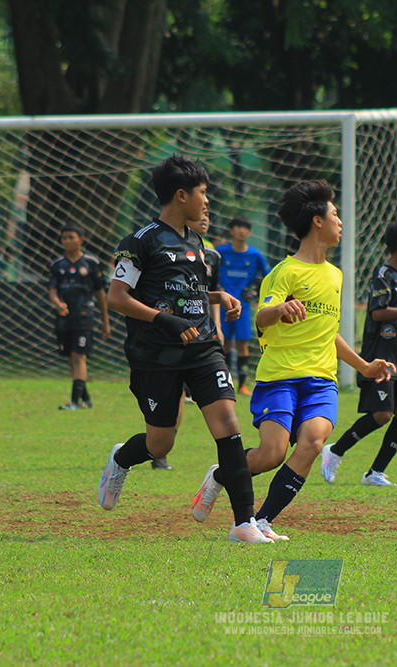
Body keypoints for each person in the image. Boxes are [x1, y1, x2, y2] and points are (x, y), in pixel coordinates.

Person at [190, 180, 395, 541]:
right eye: (334, 214)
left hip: (320, 379)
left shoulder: (336, 275)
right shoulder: (284, 272)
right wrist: (280, 308)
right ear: (317, 221)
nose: (339, 221)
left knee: (314, 442)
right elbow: (261, 317)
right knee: (271, 454)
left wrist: (363, 366)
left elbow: (327, 332)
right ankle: (222, 474)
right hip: (280, 377)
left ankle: (261, 521)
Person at [95, 154, 271, 544]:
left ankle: (245, 523)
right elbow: (117, 298)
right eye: (203, 193)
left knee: (228, 424)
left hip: (203, 347)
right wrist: (163, 320)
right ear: (180, 195)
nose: (207, 201)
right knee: (161, 442)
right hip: (155, 354)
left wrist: (217, 295)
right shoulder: (139, 242)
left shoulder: (202, 246)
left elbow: (185, 292)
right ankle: (123, 458)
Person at [320, 221, 397, 487]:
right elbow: (378, 312)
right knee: (382, 414)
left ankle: (375, 472)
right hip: (383, 356)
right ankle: (335, 451)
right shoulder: (383, 275)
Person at [162, 213, 226, 473]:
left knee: (221, 406)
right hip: (170, 338)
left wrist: (218, 326)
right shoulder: (163, 247)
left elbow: (208, 293)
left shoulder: (212, 255)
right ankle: (162, 450)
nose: (204, 216)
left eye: (208, 214)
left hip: (203, 338)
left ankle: (227, 471)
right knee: (174, 395)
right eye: (200, 212)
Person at [48, 224, 111, 411]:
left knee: (78, 357)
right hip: (64, 319)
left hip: (84, 317)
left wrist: (105, 321)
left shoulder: (91, 263)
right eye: (64, 238)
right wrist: (58, 303)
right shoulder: (57, 265)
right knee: (70, 358)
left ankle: (75, 402)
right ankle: (86, 398)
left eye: (71, 237)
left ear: (81, 240)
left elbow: (100, 293)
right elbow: (52, 292)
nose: (67, 241)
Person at [216, 218, 271, 395]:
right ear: (231, 231)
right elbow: (208, 271)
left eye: (246, 228)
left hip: (243, 306)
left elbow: (269, 278)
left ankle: (242, 385)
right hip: (223, 304)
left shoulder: (255, 255)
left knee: (242, 345)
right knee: (223, 343)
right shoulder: (220, 253)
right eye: (239, 227)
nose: (242, 231)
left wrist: (256, 292)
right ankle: (225, 382)